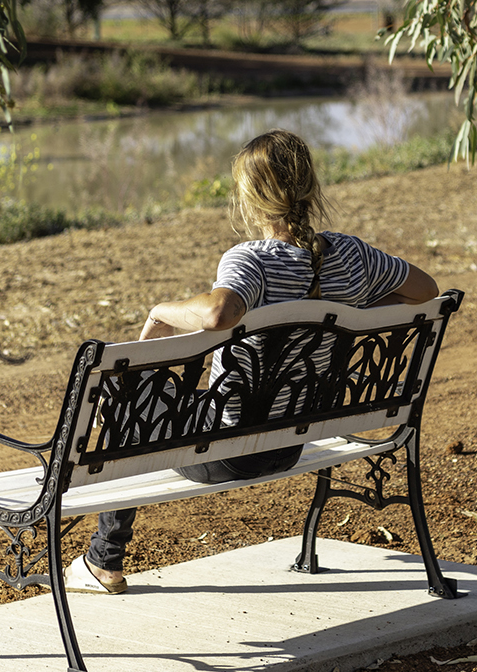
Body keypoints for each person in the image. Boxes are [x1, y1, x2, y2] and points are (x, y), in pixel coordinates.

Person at [64, 129, 439, 594]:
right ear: (309, 188)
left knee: (129, 397)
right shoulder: (352, 255)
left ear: (250, 199)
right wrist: (353, 313)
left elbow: (221, 312)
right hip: (292, 440)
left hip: (226, 451)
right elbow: (426, 292)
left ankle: (104, 558)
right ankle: (102, 556)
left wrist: (160, 311)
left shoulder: (251, 261)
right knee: (162, 397)